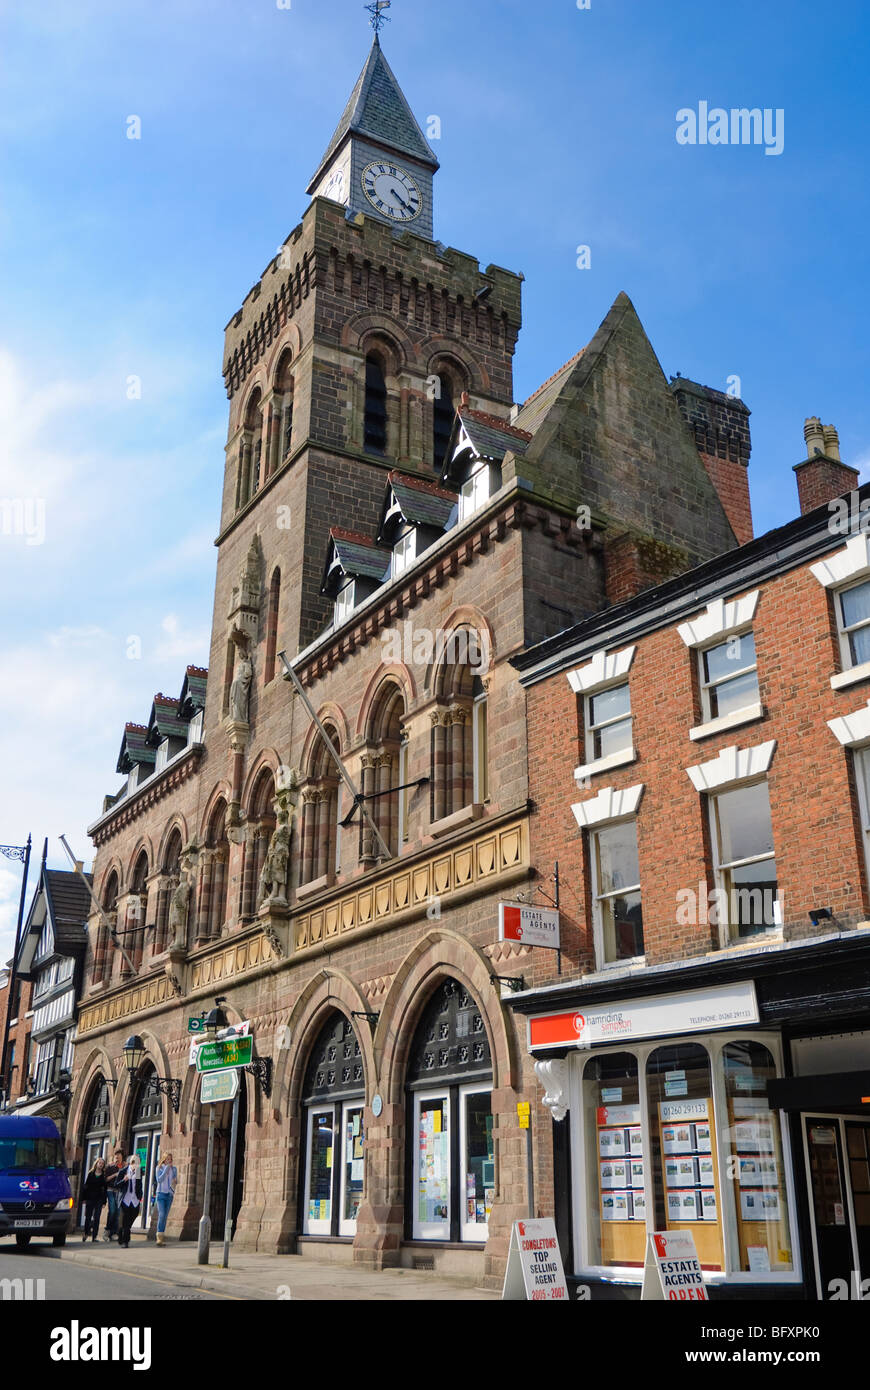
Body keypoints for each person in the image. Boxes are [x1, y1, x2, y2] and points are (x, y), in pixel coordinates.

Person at [114, 1155, 143, 1248]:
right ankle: (126, 1241)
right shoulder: (123, 1171)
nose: (136, 1165)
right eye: (135, 1163)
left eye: (138, 1163)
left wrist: (140, 1196)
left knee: (131, 1219)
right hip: (125, 1200)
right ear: (131, 1163)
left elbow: (139, 1185)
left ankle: (121, 1232)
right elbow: (116, 1185)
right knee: (126, 1221)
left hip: (134, 1200)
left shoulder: (138, 1172)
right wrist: (124, 1180)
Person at [153, 1152, 178, 1246]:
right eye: (167, 1159)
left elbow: (176, 1181)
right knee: (162, 1215)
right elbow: (159, 1180)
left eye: (170, 1159)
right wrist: (166, 1169)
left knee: (165, 1216)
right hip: (161, 1194)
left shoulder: (174, 1169)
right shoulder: (159, 1168)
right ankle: (158, 1237)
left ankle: (161, 1238)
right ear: (164, 1159)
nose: (169, 1161)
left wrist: (175, 1181)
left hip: (169, 1195)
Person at [81, 1157, 108, 1242]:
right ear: (96, 1164)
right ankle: (86, 1233)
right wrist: (84, 1198)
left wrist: (104, 1201)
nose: (100, 1165)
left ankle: (94, 1236)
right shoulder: (91, 1174)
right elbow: (86, 1186)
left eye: (102, 1164)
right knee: (88, 1217)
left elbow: (105, 1189)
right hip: (90, 1198)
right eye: (99, 1163)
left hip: (99, 1199)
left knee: (97, 1218)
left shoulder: (103, 1176)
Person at [102, 1146, 125, 1241]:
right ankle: (107, 1231)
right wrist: (114, 1175)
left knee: (118, 1212)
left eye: (119, 1157)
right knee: (112, 1210)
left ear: (122, 1158)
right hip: (110, 1190)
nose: (117, 1159)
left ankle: (114, 1232)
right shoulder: (109, 1167)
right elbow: (106, 1179)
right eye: (116, 1157)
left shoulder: (124, 1168)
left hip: (119, 1191)